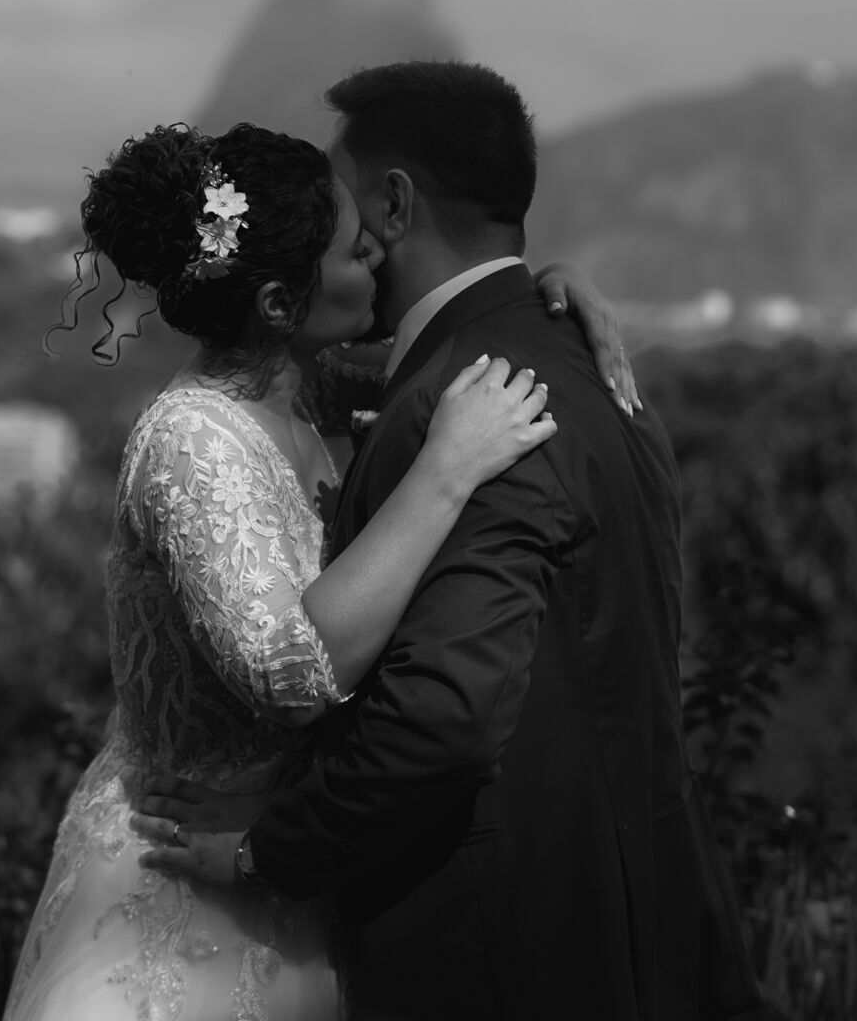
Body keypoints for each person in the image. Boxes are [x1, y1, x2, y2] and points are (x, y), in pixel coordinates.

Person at [137, 63, 764, 1021]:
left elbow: (443, 718)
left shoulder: (476, 407)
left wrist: (269, 850)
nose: (326, 238)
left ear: (391, 205)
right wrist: (547, 285)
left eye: (341, 210)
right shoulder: (584, 366)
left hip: (508, 947)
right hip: (643, 915)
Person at [3, 119, 624, 1021]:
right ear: (278, 306)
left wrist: (542, 291)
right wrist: (446, 471)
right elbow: (290, 670)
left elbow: (448, 333)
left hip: (292, 867)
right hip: (179, 876)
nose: (376, 249)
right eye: (350, 247)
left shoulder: (312, 388)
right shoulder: (190, 440)